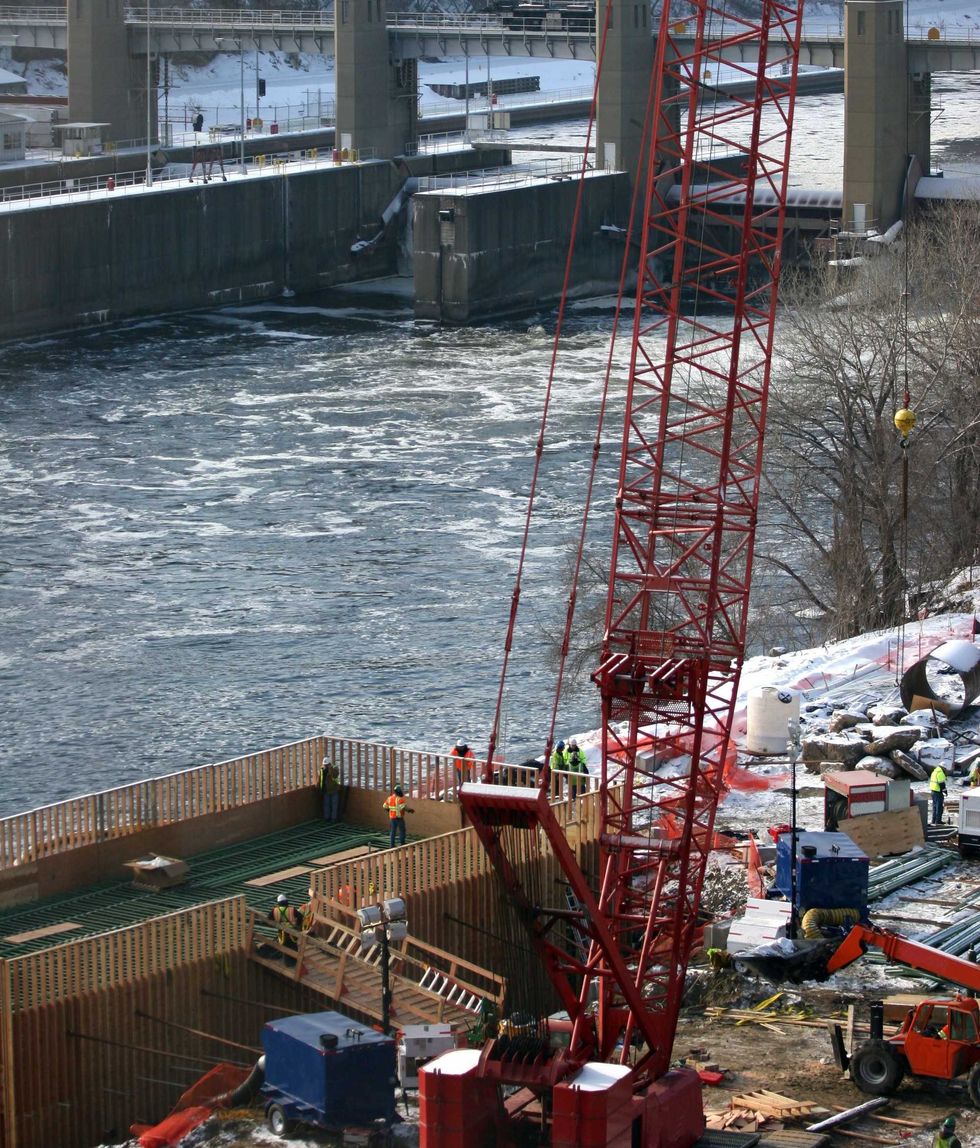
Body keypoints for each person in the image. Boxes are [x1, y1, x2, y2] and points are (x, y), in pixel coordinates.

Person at [319, 757, 341, 821]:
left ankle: (333, 818)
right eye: (324, 765)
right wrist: (319, 787)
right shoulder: (322, 769)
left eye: (327, 765)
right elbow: (321, 779)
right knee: (326, 804)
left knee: (334, 805)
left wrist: (330, 769)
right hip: (326, 790)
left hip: (334, 790)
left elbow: (335, 775)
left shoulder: (334, 768)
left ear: (330, 764)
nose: (325, 766)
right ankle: (327, 818)